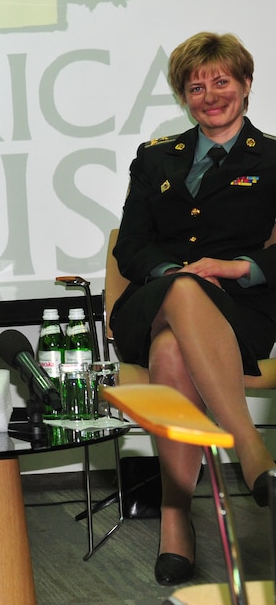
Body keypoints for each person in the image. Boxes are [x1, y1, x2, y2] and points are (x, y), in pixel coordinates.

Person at [112, 31, 276, 586]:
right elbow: (131, 246)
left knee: (172, 353)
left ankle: (176, 519)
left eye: (221, 81)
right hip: (152, 301)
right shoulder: (156, 157)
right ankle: (251, 453)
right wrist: (172, 273)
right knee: (182, 293)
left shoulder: (275, 158)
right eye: (195, 86)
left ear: (246, 84)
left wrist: (238, 268)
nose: (209, 94)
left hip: (239, 311)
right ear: (184, 97)